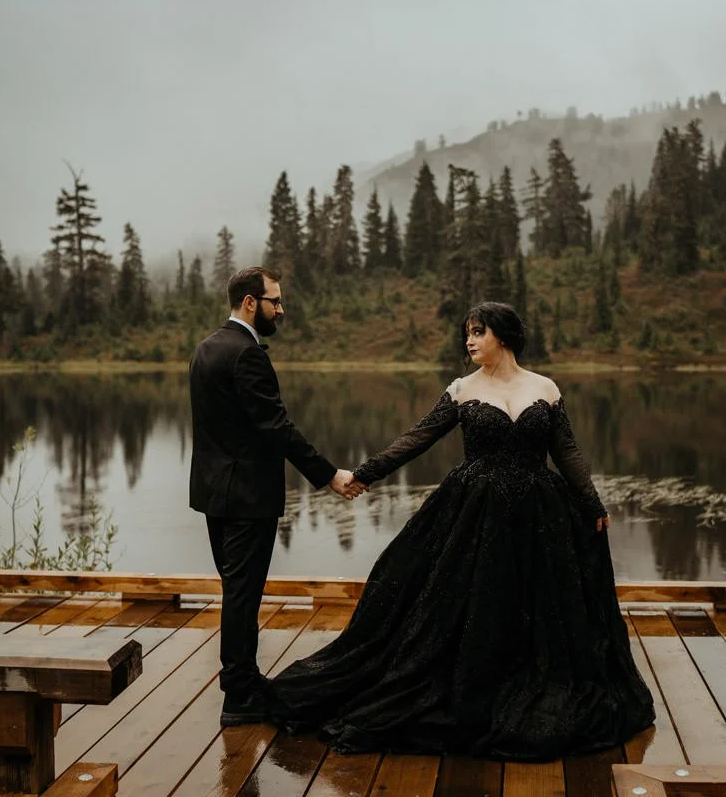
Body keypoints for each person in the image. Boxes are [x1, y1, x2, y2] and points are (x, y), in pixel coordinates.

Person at [267, 301, 656, 760]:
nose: (468, 341)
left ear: (502, 335)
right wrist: (366, 474)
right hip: (476, 510)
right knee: (469, 601)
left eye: (477, 332)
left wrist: (592, 503)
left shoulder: (545, 389)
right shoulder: (463, 390)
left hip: (539, 514)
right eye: (466, 334)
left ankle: (526, 680)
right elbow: (417, 438)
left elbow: (566, 451)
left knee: (537, 603)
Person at [189, 266, 364, 726]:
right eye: (275, 301)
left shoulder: (205, 349)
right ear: (251, 302)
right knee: (243, 596)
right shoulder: (247, 355)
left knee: (236, 591)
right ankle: (240, 696)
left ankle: (242, 683)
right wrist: (329, 475)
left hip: (213, 494)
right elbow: (276, 427)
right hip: (247, 497)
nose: (280, 310)